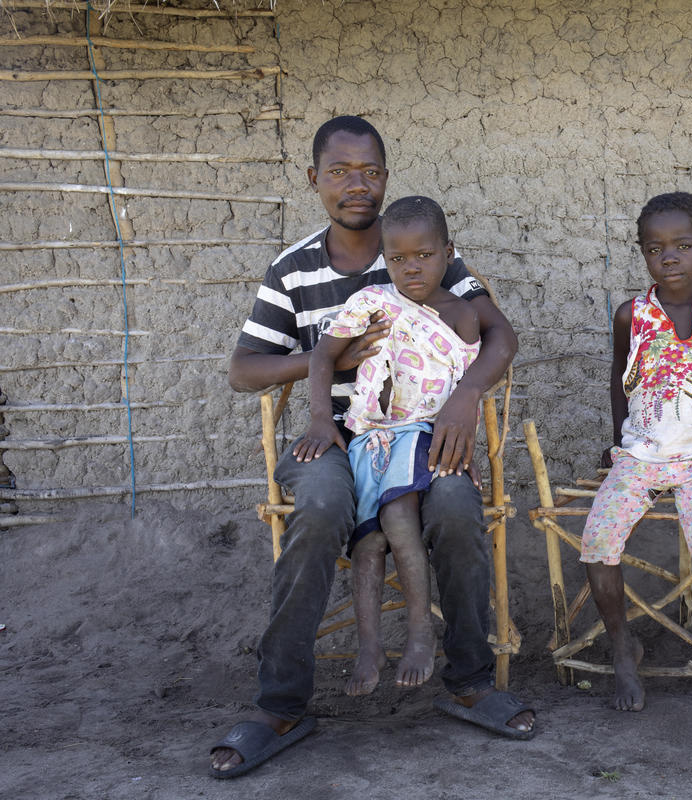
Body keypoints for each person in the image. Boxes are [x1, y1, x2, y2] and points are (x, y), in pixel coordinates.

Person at [211, 116, 533, 780]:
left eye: (370, 171)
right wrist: (332, 358)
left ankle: (470, 681)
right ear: (314, 179)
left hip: (423, 430)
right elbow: (243, 369)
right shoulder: (293, 270)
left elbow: (498, 333)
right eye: (339, 172)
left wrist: (468, 394)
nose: (356, 184)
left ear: (386, 178)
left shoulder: (423, 251)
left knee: (455, 503)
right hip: (330, 435)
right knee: (321, 508)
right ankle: (280, 705)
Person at [292, 196, 480, 696]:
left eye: (424, 255)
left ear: (448, 253)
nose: (411, 267)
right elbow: (322, 357)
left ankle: (420, 635)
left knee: (398, 521)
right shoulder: (371, 302)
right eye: (397, 258)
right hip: (367, 436)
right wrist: (319, 419)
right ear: (384, 259)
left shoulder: (462, 316)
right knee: (367, 542)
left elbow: (465, 390)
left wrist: (468, 450)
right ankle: (370, 646)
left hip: (420, 434)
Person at [581, 191, 692, 712]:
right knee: (597, 541)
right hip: (642, 454)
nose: (669, 257)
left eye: (683, 245)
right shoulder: (630, 315)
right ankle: (623, 649)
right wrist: (620, 442)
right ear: (643, 254)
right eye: (655, 249)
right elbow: (619, 379)